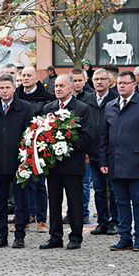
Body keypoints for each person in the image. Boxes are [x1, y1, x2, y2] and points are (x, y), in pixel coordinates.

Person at [100, 71, 139, 251]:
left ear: (134, 84)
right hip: (116, 162)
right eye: (119, 83)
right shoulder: (110, 106)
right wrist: (103, 161)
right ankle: (124, 237)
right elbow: (104, 136)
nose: (121, 86)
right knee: (121, 202)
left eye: (125, 83)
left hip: (137, 162)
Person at [40, 74, 93, 250]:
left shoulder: (82, 108)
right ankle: (55, 236)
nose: (58, 89)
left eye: (62, 86)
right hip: (53, 166)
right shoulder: (49, 107)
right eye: (55, 86)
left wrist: (65, 145)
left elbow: (87, 136)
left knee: (74, 202)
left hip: (72, 165)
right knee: (54, 202)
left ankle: (76, 237)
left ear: (71, 88)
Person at [0, 74, 34, 248]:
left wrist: (27, 160)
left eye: (8, 87)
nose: (4, 91)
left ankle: (19, 235)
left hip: (19, 163)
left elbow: (30, 136)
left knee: (21, 201)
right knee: (2, 202)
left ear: (14, 88)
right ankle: (2, 235)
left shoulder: (25, 108)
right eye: (1, 88)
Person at [16, 66, 53, 233]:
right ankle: (25, 216)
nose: (25, 78)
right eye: (23, 75)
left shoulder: (46, 98)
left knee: (39, 185)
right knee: (22, 183)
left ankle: (41, 219)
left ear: (37, 77)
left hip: (38, 147)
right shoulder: (16, 94)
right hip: (19, 146)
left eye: (29, 75)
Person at [84, 69, 119, 236]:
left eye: (102, 79)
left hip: (112, 153)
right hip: (94, 153)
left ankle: (115, 221)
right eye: (96, 79)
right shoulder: (88, 99)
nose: (99, 82)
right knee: (98, 190)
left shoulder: (115, 99)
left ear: (109, 81)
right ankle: (102, 221)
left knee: (114, 190)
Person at [70, 68, 94, 224]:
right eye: (75, 80)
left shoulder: (89, 97)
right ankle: (72, 211)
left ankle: (84, 212)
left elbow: (89, 128)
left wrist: (86, 150)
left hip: (84, 149)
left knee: (85, 183)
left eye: (80, 80)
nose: (77, 83)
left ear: (85, 80)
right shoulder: (66, 96)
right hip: (68, 151)